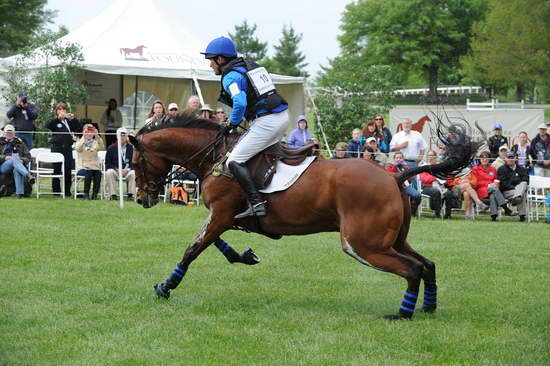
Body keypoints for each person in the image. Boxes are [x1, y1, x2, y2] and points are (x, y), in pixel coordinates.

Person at [201, 36, 289, 218]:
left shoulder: (230, 77)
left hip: (267, 122)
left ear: (220, 59)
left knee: (233, 160)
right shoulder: (249, 67)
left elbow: (240, 103)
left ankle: (257, 204)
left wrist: (232, 123)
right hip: (281, 117)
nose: (210, 65)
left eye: (211, 60)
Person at [46, 103, 82, 196]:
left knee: (68, 170)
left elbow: (78, 129)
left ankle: (67, 191)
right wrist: (58, 118)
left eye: (63, 109)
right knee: (57, 169)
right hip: (57, 147)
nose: (62, 111)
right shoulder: (54, 121)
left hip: (68, 148)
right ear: (56, 111)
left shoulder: (68, 121)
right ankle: (56, 191)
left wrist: (74, 119)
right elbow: (48, 125)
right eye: (59, 109)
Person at [472, 151, 515, 221]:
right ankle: (506, 209)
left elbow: (496, 180)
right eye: (482, 158)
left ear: (489, 159)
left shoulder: (492, 169)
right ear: (479, 159)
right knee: (493, 189)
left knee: (493, 194)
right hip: (480, 190)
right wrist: (488, 185)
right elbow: (475, 183)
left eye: (486, 158)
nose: (484, 159)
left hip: (492, 190)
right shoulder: (475, 169)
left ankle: (494, 216)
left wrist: (496, 184)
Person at [0, 124, 34, 198]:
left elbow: (28, 156)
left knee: (16, 169)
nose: (9, 134)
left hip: (18, 165)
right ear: (4, 133)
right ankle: (28, 175)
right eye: (7, 132)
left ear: (14, 133)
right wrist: (5, 157)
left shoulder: (20, 143)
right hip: (3, 166)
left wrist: (22, 160)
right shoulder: (0, 142)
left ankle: (19, 193)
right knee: (14, 159)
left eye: (11, 132)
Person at [497, 151, 529, 222]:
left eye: (512, 157)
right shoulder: (501, 169)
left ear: (516, 159)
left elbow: (526, 179)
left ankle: (517, 197)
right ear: (506, 159)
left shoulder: (522, 169)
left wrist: (518, 189)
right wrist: (516, 188)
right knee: (522, 194)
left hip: (519, 190)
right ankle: (522, 216)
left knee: (524, 183)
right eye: (509, 158)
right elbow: (503, 183)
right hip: (507, 191)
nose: (510, 159)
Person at [75, 124, 104, 200]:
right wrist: (83, 137)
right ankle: (86, 194)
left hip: (94, 167)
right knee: (89, 172)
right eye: (87, 132)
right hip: (83, 167)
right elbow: (78, 148)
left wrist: (97, 135)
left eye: (91, 132)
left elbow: (101, 147)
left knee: (98, 173)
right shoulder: (80, 141)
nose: (89, 134)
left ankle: (95, 195)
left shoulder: (95, 142)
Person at [105, 127, 135, 200]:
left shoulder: (131, 148)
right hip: (116, 171)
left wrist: (127, 169)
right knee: (109, 172)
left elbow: (134, 163)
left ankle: (130, 195)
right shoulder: (111, 148)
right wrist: (116, 169)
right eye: (120, 135)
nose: (122, 137)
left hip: (127, 171)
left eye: (124, 135)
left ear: (127, 136)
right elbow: (108, 163)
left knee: (133, 173)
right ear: (117, 136)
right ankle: (113, 195)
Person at [418, 150, 443, 218]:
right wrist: (435, 177)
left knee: (448, 193)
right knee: (436, 192)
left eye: (432, 155)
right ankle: (437, 214)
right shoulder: (424, 166)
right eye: (429, 155)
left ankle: (447, 214)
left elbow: (444, 177)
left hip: (440, 186)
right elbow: (425, 179)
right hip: (426, 187)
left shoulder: (439, 166)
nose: (430, 157)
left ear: (435, 157)